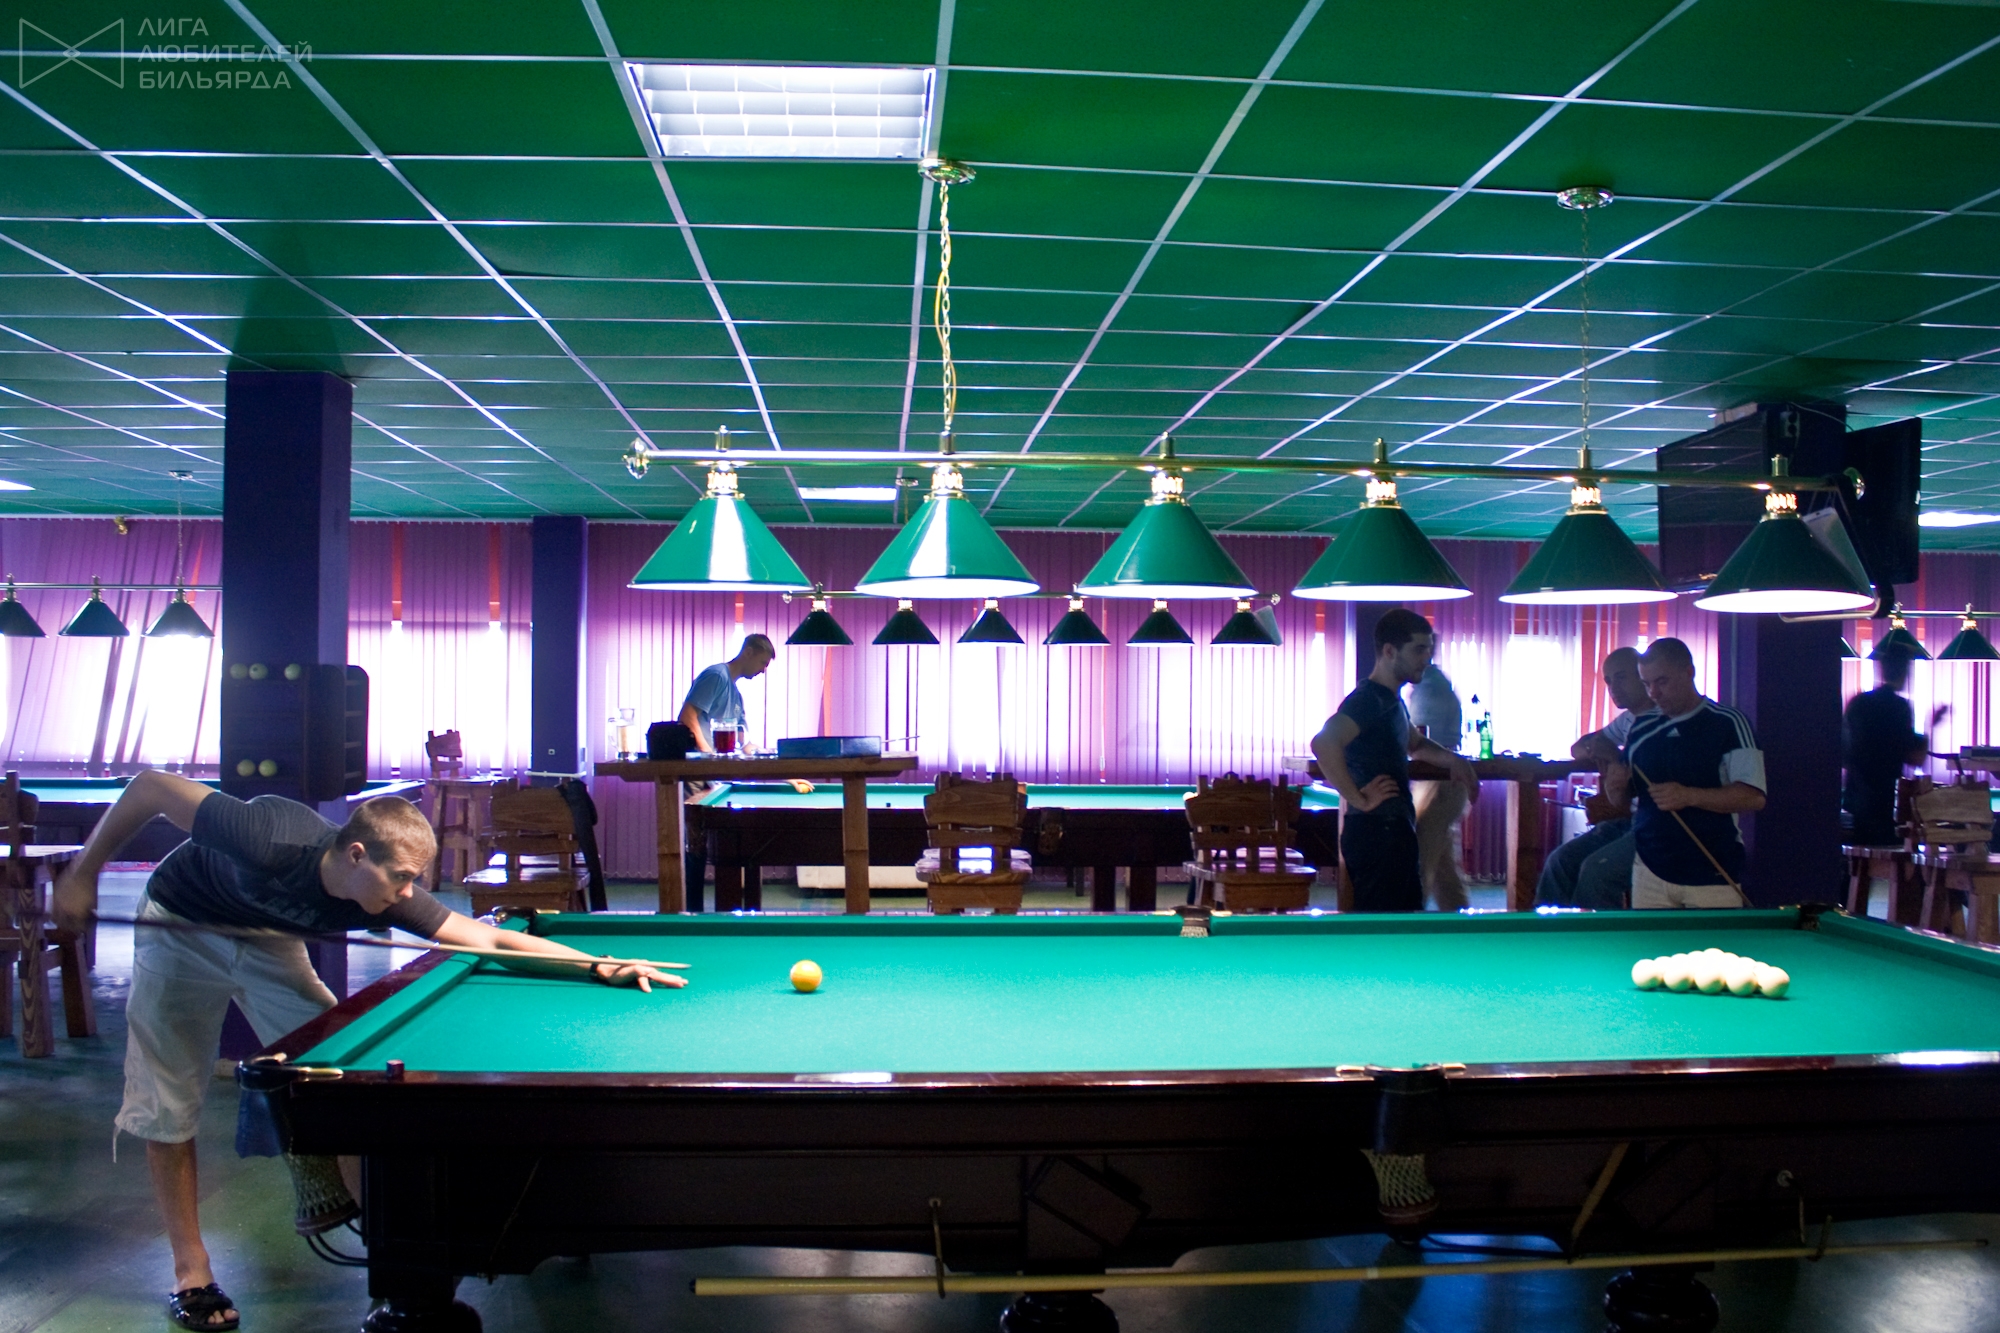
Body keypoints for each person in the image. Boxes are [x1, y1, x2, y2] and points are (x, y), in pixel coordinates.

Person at [49, 773, 680, 1331]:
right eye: (402, 878)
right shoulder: (264, 836)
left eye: (414, 880)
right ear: (357, 855)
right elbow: (149, 788)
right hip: (179, 925)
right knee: (167, 1098)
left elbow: (486, 940)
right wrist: (82, 874)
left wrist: (599, 965)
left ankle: (388, 1250)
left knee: (342, 1075)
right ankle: (192, 1272)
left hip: (268, 938)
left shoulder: (381, 888)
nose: (409, 894)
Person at [1312, 609, 1478, 912]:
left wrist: (1454, 760)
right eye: (1419, 649)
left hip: (1392, 829)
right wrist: (1358, 798)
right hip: (1378, 831)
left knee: (1403, 923)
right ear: (1389, 651)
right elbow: (1324, 743)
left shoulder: (1391, 700)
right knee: (1384, 930)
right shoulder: (1369, 699)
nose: (1426, 658)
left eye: (1429, 649)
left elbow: (1415, 743)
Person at [1609, 638, 1766, 909]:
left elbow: (1753, 797)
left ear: (1689, 672)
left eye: (1662, 682)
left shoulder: (1728, 722)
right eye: (1647, 684)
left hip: (1712, 873)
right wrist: (1615, 788)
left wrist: (1689, 796)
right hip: (1649, 871)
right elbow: (1623, 803)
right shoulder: (1641, 727)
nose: (1653, 693)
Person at [1536, 647, 1651, 909]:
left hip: (1653, 824)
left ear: (1643, 675)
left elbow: (1645, 780)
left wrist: (1614, 757)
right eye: (1608, 681)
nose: (1613, 688)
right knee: (1559, 861)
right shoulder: (1627, 720)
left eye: (1621, 677)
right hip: (1627, 821)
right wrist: (1597, 749)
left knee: (1594, 871)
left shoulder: (1663, 719)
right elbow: (1577, 748)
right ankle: (1549, 930)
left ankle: (1596, 934)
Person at [1841, 649, 1941, 846]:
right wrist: (1931, 727)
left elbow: (1843, 753)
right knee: (1888, 856)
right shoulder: (1899, 708)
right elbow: (1915, 758)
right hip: (1886, 801)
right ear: (1905, 673)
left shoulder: (1858, 703)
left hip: (1858, 799)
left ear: (1882, 669)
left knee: (1860, 857)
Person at [1407, 661, 1471, 911]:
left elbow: (1417, 738)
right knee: (1444, 866)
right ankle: (1459, 920)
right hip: (1442, 782)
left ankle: (1409, 920)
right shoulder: (1438, 685)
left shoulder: (1428, 688)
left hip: (1438, 781)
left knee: (1421, 859)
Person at [678, 633, 776, 754]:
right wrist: (708, 754)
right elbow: (687, 716)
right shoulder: (717, 675)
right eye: (763, 663)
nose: (763, 671)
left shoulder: (737, 697)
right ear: (748, 653)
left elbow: (744, 744)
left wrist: (767, 753)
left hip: (718, 763)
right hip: (701, 761)